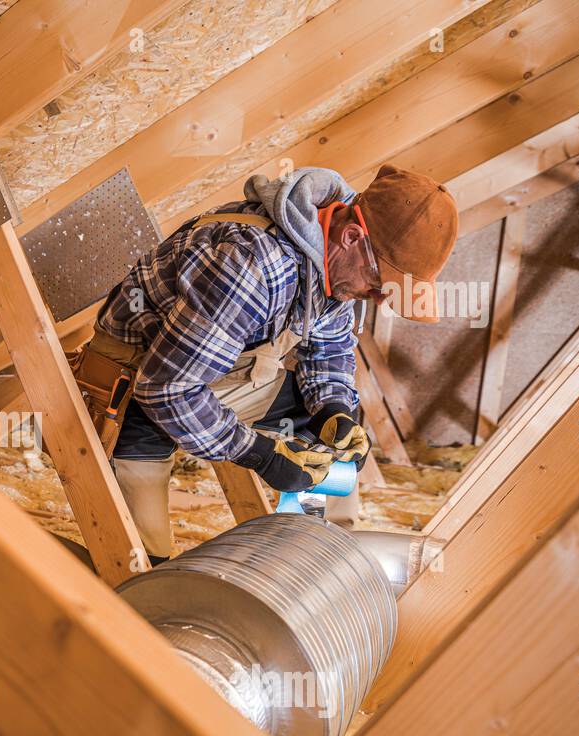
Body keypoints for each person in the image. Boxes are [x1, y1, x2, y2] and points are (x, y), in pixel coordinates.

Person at [75, 164, 458, 564]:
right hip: (140, 382)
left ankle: (324, 557)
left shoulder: (337, 262)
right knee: (141, 560)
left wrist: (334, 410)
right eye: (380, 285)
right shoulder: (256, 264)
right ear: (352, 237)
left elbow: (328, 350)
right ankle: (146, 576)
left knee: (321, 432)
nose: (378, 298)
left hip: (212, 367)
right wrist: (260, 454)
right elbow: (167, 388)